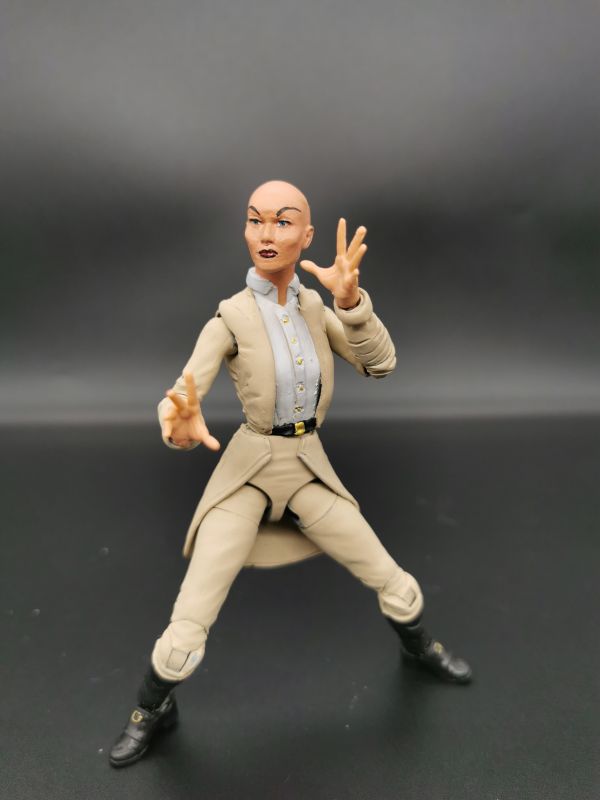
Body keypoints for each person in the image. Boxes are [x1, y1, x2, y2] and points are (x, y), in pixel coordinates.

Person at [109, 180, 472, 768]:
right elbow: (184, 390)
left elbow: (380, 365)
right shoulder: (229, 318)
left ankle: (418, 647)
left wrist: (352, 304)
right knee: (190, 618)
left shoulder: (314, 309)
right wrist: (177, 423)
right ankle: (150, 709)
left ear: (306, 236)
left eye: (282, 221)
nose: (267, 233)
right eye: (256, 220)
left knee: (393, 581)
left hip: (305, 466)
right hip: (248, 470)